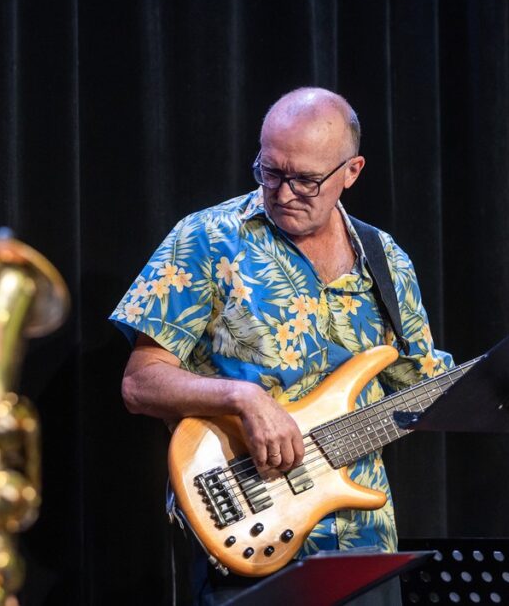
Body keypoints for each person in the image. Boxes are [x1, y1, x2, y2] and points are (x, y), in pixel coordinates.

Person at [112, 87, 448, 605]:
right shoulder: (207, 238)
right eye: (271, 172)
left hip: (364, 547)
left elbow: (426, 388)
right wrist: (242, 399)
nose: (285, 192)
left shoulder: (389, 261)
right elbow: (140, 382)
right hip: (252, 534)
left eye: (307, 180)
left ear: (351, 172)